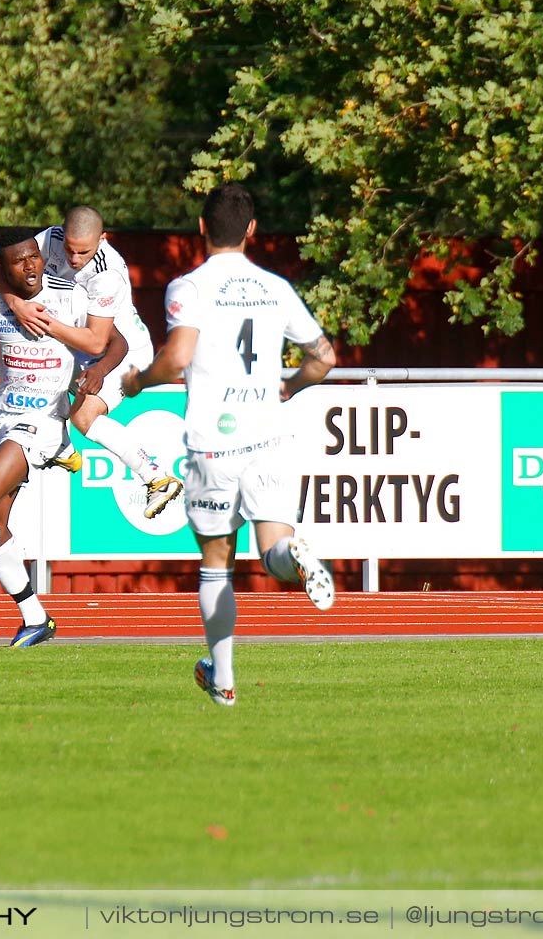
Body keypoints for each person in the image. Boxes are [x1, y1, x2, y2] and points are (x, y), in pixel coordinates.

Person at [121, 183, 337, 706]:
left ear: (200, 227)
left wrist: (137, 382)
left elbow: (176, 359)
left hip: (214, 444)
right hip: (269, 436)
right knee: (272, 553)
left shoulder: (187, 287)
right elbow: (324, 357)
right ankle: (296, 554)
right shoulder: (276, 287)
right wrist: (290, 387)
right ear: (252, 231)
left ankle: (222, 681)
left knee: (217, 564)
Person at [0, 226, 129, 647]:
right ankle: (36, 617)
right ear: (2, 268)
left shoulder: (67, 293)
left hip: (44, 421)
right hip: (2, 420)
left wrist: (98, 373)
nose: (32, 265)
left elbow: (115, 343)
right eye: (20, 261)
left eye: (34, 255)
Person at [0, 206, 184, 519]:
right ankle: (62, 448)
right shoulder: (49, 239)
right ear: (60, 235)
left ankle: (156, 478)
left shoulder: (108, 274)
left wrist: (45, 323)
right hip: (81, 345)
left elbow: (99, 340)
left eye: (83, 252)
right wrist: (15, 303)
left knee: (85, 416)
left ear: (102, 241)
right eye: (69, 249)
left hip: (122, 353)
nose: (74, 259)